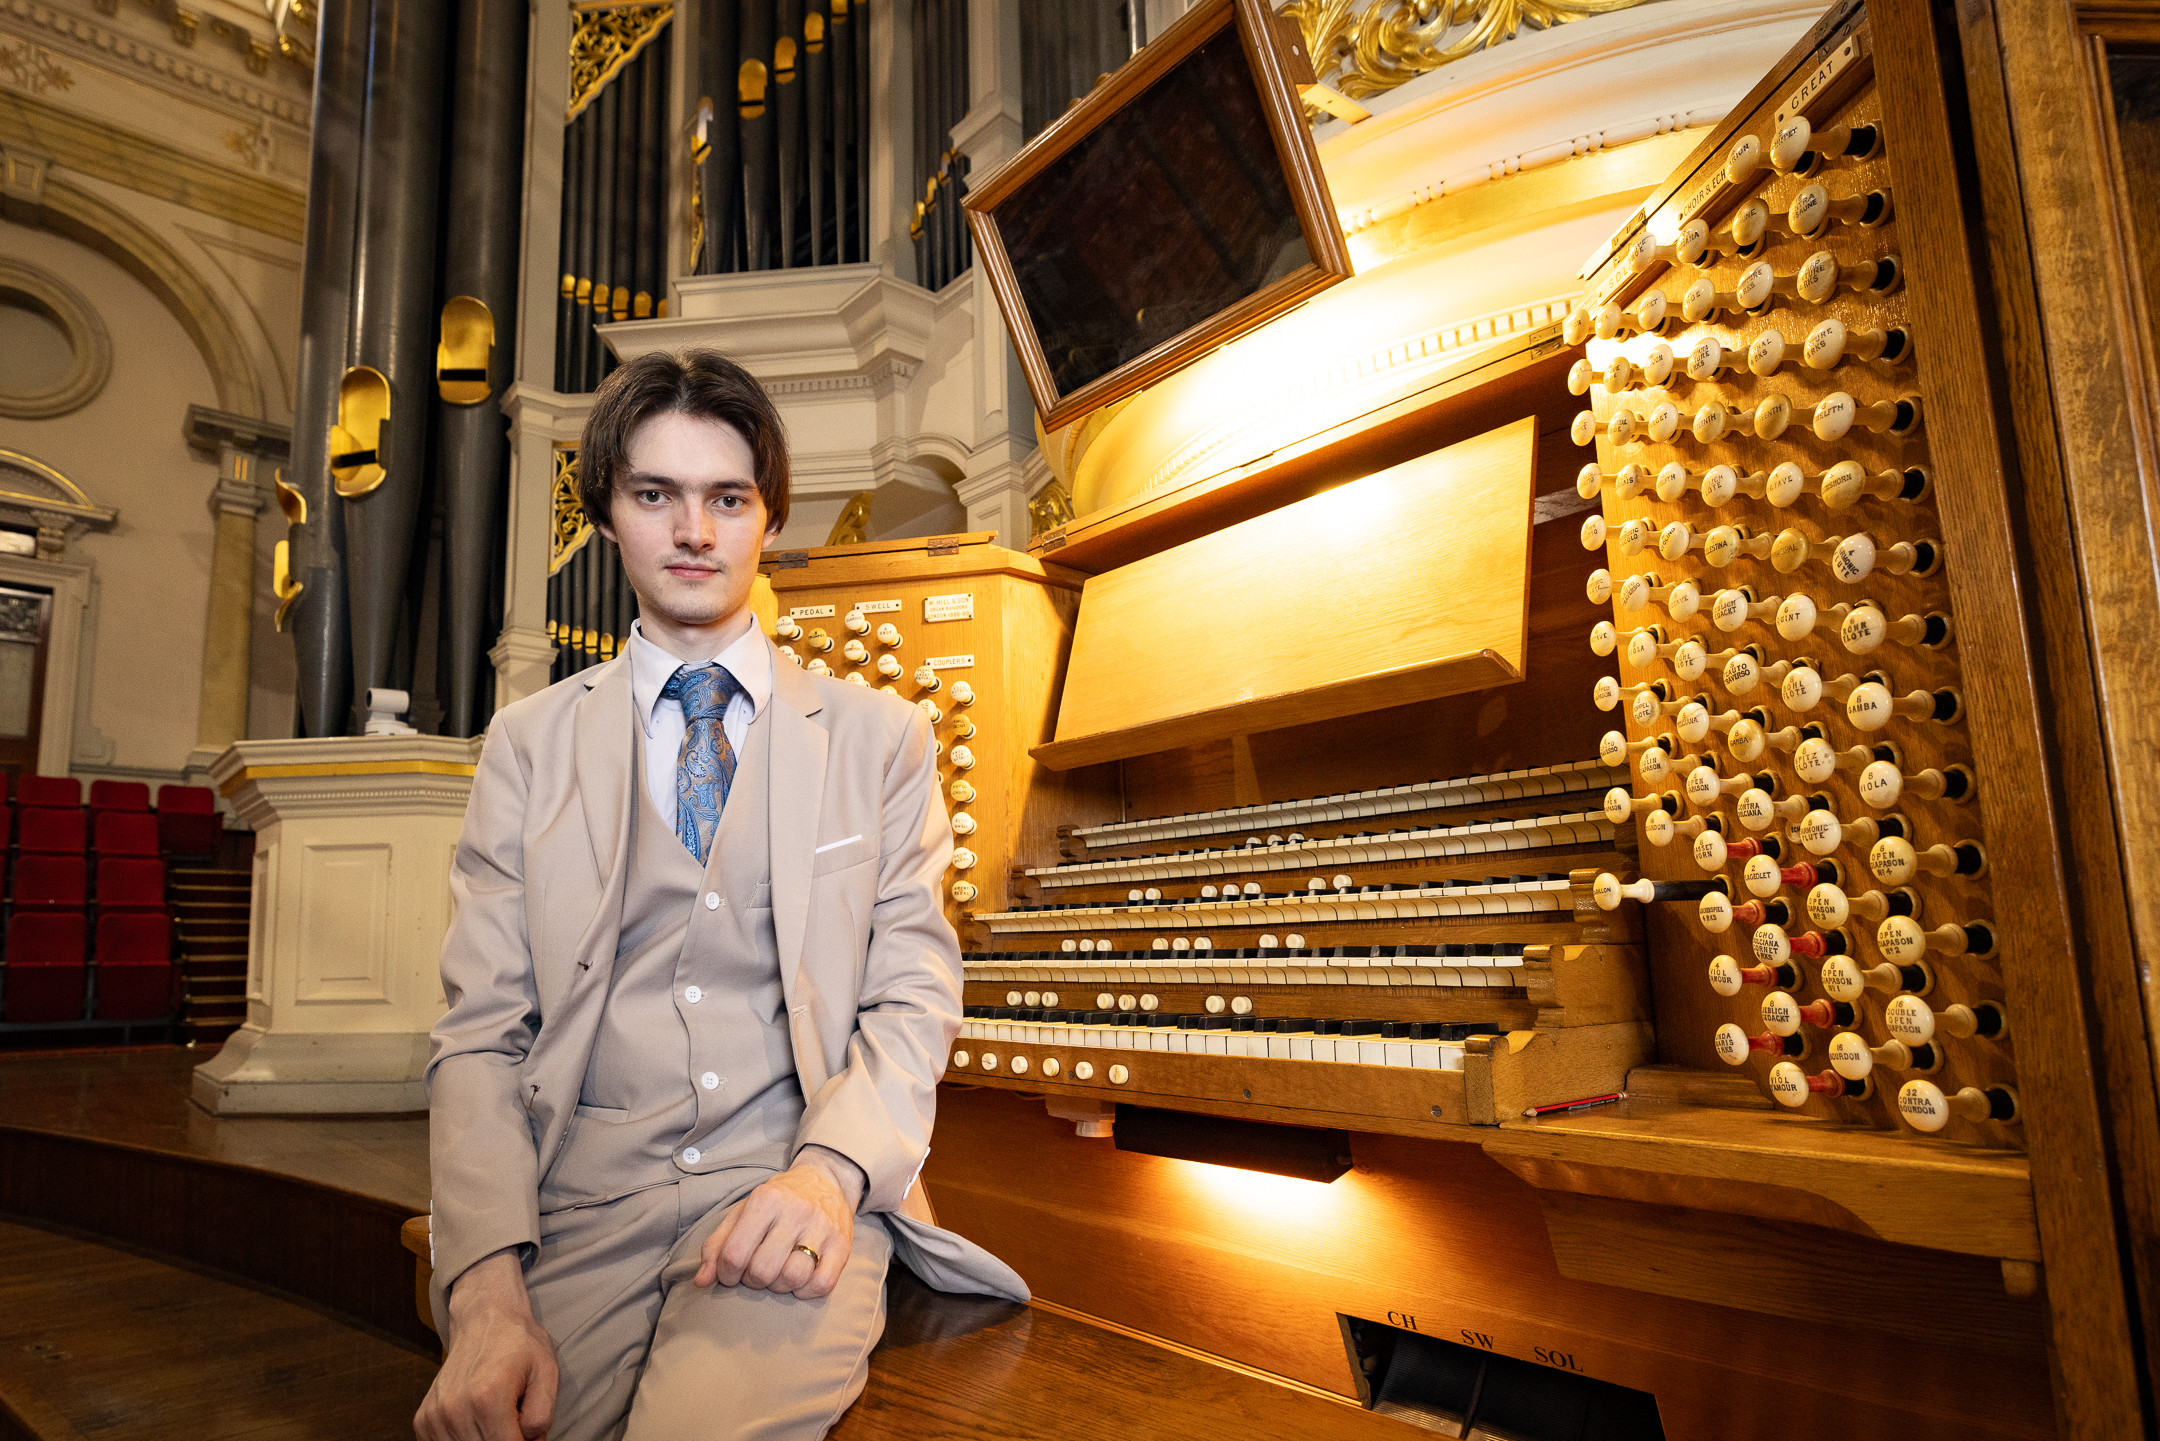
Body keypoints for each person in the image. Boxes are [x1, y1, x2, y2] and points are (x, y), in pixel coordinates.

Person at [416, 348, 1024, 1441]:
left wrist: (832, 1178)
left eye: (726, 498)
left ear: (769, 519)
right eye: (656, 494)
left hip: (784, 1188)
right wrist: (486, 1289)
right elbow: (480, 1035)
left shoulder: (881, 737)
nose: (694, 530)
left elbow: (911, 993)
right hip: (578, 1201)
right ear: (609, 516)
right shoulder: (527, 744)